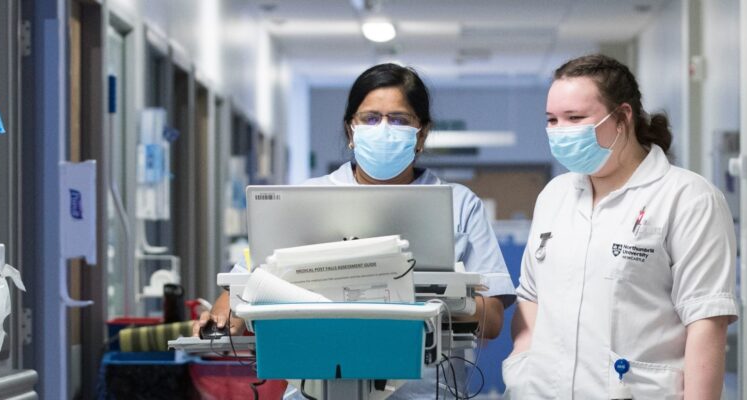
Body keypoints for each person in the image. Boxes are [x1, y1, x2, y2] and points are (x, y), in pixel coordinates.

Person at [194, 63, 516, 398]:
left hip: (424, 391)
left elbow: (491, 319)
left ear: (421, 134)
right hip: (316, 390)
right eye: (371, 118)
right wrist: (223, 316)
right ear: (351, 131)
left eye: (400, 119)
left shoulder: (460, 204)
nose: (384, 128)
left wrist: (422, 299)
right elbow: (241, 288)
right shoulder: (303, 199)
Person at [504, 54, 738, 399]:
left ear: (623, 117)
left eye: (575, 118)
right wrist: (520, 368)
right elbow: (532, 296)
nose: (559, 131)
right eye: (552, 119)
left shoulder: (688, 198)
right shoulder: (554, 196)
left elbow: (705, 324)